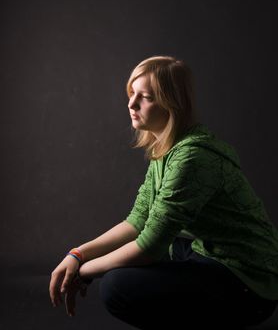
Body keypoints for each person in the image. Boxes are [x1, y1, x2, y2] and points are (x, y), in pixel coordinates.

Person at [49, 56, 278, 329]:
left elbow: (148, 248)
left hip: (249, 283)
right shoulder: (166, 150)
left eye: (144, 97)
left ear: (173, 103)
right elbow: (137, 221)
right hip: (209, 254)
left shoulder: (192, 158)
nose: (131, 104)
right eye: (131, 93)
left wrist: (82, 273)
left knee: (115, 286)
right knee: (149, 253)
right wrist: (77, 255)